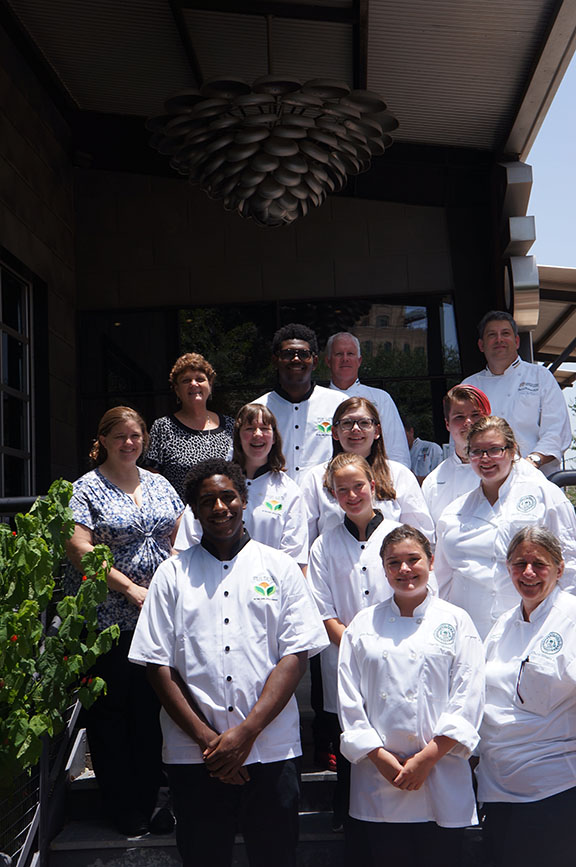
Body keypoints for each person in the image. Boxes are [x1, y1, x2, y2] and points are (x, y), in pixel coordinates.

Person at [129, 458, 328, 867]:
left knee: (275, 857)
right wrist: (210, 743)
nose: (220, 508)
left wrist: (246, 735)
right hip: (193, 755)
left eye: (228, 497)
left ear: (243, 499)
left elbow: (295, 655)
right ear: (194, 510)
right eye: (207, 501)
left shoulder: (282, 568)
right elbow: (157, 666)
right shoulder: (171, 575)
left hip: (271, 749)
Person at [64, 406, 184, 836]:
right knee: (114, 716)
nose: (129, 443)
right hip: (110, 621)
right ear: (104, 439)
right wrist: (130, 589)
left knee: (156, 714)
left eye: (135, 436)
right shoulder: (87, 488)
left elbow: (180, 536)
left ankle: (157, 802)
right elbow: (79, 549)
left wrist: (170, 577)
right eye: (120, 436)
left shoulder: (159, 483)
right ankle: (123, 807)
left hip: (161, 620)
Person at [338, 525, 484, 867]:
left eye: (413, 559)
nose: (404, 570)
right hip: (379, 778)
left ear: (431, 562)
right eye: (394, 563)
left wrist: (425, 760)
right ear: (383, 568)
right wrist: (380, 758)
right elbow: (349, 700)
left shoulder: (457, 621)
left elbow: (469, 694)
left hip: (441, 773)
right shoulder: (362, 625)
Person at [308, 453, 403, 831]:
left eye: (358, 486)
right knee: (351, 736)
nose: (351, 495)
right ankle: (349, 816)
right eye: (341, 490)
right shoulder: (323, 546)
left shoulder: (400, 535)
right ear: (331, 494)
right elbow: (322, 609)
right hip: (342, 658)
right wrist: (355, 650)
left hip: (397, 655)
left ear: (373, 487)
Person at [477, 527, 576, 867]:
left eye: (539, 564)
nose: (528, 573)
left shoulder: (572, 619)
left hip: (554, 795)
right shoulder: (502, 626)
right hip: (497, 793)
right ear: (507, 568)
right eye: (519, 564)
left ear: (560, 569)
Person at [434, 415, 576, 639]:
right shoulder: (454, 513)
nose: (485, 458)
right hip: (469, 634)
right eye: (477, 451)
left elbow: (569, 564)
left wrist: (562, 625)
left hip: (532, 631)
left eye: (494, 449)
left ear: (512, 451)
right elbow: (441, 580)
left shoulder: (545, 495)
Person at [175, 403, 308, 566]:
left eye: (265, 428)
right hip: (210, 580)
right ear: (238, 437)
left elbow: (294, 559)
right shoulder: (212, 483)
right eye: (249, 428)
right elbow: (186, 545)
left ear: (274, 438)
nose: (257, 434)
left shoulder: (289, 491)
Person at [302, 397, 434, 546]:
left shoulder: (400, 475)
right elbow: (304, 540)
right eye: (347, 423)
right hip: (333, 566)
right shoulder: (315, 478)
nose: (356, 429)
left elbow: (420, 535)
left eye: (364, 423)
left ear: (377, 431)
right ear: (335, 432)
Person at [462, 310, 571, 476]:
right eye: (492, 335)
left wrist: (532, 461)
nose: (499, 339)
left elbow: (556, 431)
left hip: (536, 476)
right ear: (481, 345)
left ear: (517, 341)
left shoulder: (540, 377)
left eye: (505, 333)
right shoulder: (469, 386)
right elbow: (461, 439)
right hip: (484, 481)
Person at [253, 323, 345, 485]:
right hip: (274, 502)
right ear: (275, 360)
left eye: (303, 354)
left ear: (315, 361)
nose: (296, 359)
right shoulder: (258, 409)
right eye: (288, 354)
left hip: (327, 499)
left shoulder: (339, 404)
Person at [145, 352, 234, 498]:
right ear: (176, 389)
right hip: (181, 517)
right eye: (186, 380)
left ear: (210, 385)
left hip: (223, 514)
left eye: (200, 379)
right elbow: (151, 481)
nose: (194, 384)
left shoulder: (230, 426)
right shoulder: (163, 427)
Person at [325, 332, 410, 467]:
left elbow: (397, 451)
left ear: (359, 361)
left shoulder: (381, 398)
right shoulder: (317, 400)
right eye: (339, 354)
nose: (345, 359)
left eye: (351, 354)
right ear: (328, 361)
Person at [403, 416, 443, 483]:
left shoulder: (432, 448)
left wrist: (413, 479)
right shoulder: (395, 456)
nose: (401, 439)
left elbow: (439, 479)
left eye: (403, 434)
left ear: (411, 431)